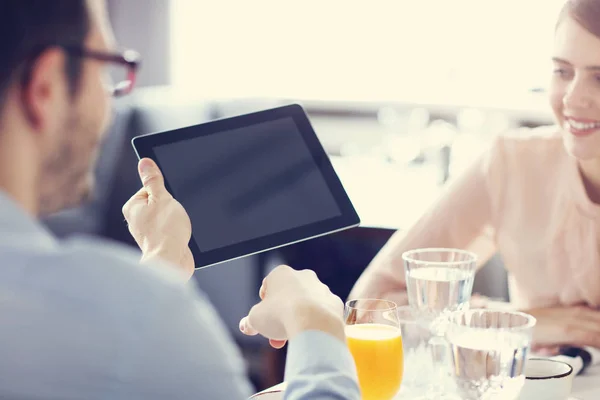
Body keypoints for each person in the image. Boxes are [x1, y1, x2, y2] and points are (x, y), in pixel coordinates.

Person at [0, 1, 360, 399]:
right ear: (45, 87)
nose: (108, 101)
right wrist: (316, 320)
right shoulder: (142, 319)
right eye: (105, 70)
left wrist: (163, 260)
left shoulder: (103, 319)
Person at [350, 0, 600, 352]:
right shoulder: (514, 164)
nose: (573, 98)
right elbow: (370, 306)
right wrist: (521, 322)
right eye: (562, 71)